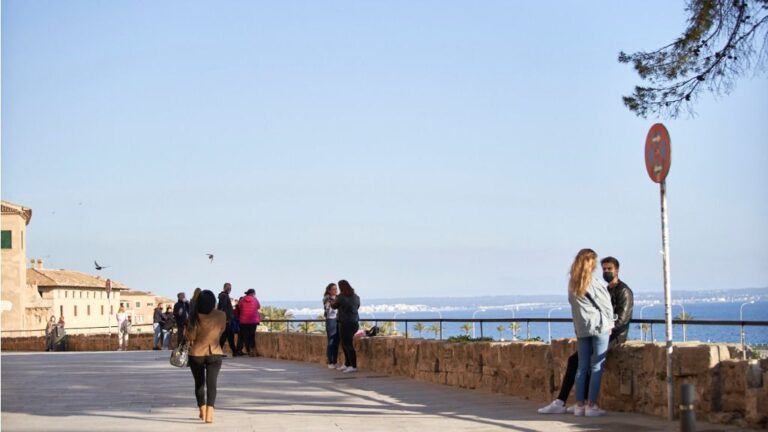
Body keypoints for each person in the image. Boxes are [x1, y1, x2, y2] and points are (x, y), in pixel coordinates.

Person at [538, 256, 634, 415]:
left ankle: (577, 403)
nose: (606, 272)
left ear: (617, 270)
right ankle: (574, 402)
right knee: (577, 361)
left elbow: (623, 319)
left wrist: (608, 328)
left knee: (586, 363)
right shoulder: (604, 288)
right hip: (600, 330)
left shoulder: (623, 291)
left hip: (613, 335)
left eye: (609, 269)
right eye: (604, 269)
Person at [564, 248, 614, 417]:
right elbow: (606, 305)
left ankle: (579, 405)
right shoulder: (593, 282)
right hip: (599, 326)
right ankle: (591, 405)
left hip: (582, 328)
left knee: (582, 365)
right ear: (591, 263)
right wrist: (611, 323)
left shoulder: (572, 283)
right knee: (597, 365)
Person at [186, 289, 226, 424]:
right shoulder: (221, 315)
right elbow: (221, 331)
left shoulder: (194, 316)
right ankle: (210, 414)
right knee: (212, 384)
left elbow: (190, 336)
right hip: (215, 352)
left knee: (199, 383)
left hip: (196, 353)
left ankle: (202, 410)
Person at [331, 279, 360, 373]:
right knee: (345, 343)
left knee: (347, 344)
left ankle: (353, 366)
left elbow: (334, 306)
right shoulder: (356, 297)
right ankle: (347, 364)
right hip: (354, 322)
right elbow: (357, 306)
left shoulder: (341, 297)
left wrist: (334, 299)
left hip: (344, 323)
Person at [236, 289, 261, 357]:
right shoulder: (255, 299)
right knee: (252, 335)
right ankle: (252, 351)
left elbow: (239, 307)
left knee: (246, 336)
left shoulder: (242, 300)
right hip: (253, 320)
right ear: (252, 293)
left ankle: (248, 350)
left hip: (243, 321)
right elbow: (258, 306)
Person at [322, 283, 340, 368]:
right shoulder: (327, 299)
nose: (335, 291)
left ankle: (335, 361)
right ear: (329, 290)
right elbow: (328, 309)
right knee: (331, 341)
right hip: (331, 320)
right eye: (333, 289)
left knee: (337, 341)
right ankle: (330, 362)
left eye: (336, 289)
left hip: (338, 320)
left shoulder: (338, 298)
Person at [218, 282, 238, 356]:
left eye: (230, 288)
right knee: (225, 336)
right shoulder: (224, 296)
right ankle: (219, 351)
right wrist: (226, 319)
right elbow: (224, 308)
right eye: (228, 288)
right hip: (226, 320)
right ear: (224, 288)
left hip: (227, 319)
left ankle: (234, 351)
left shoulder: (224, 296)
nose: (230, 289)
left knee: (229, 336)